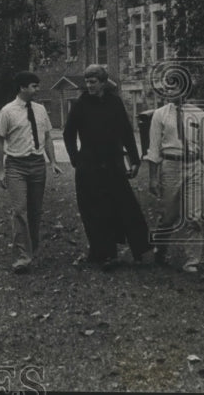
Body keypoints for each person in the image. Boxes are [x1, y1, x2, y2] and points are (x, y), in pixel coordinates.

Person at [63, 64, 150, 269]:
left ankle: (143, 250)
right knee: (93, 210)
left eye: (93, 82)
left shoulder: (115, 103)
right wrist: (76, 158)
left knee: (125, 207)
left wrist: (135, 161)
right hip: (89, 167)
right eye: (87, 82)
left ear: (102, 82)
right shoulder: (81, 104)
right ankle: (102, 252)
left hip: (113, 165)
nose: (89, 85)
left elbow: (127, 133)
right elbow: (69, 134)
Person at [0, 71, 61, 273]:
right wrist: (0, 171)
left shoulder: (40, 110)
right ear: (22, 87)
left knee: (35, 211)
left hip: (38, 165)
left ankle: (32, 249)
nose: (37, 89)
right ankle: (22, 258)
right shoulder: (7, 111)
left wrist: (53, 162)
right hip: (16, 166)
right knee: (19, 211)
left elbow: (48, 137)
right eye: (34, 86)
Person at [145, 92, 204, 273]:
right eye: (167, 86)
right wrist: (153, 178)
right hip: (170, 167)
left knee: (194, 217)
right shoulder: (160, 114)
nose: (169, 91)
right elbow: (153, 149)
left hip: (194, 167)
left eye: (175, 86)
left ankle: (192, 261)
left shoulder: (199, 114)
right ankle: (160, 251)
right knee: (168, 217)